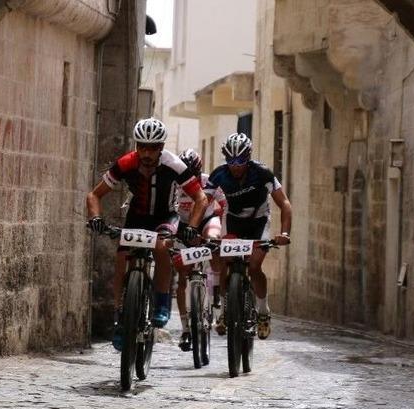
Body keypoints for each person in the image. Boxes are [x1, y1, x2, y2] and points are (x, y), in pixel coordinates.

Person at [86, 118, 208, 350]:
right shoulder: (125, 164)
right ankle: (121, 313)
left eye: (152, 148)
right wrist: (95, 219)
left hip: (165, 216)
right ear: (136, 145)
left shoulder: (174, 164)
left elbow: (201, 198)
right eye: (142, 146)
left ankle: (162, 302)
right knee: (122, 257)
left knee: (162, 247)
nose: (146, 153)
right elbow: (94, 195)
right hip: (137, 216)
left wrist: (192, 225)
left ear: (161, 148)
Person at [204, 133, 292, 340]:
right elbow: (204, 200)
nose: (236, 165)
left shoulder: (262, 173)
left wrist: (285, 233)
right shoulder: (219, 174)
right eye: (231, 161)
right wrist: (196, 226)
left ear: (248, 157)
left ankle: (263, 312)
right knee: (225, 263)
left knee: (254, 266)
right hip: (233, 220)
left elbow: (284, 204)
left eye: (241, 160)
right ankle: (226, 311)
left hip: (259, 221)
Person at [173, 149, 226, 352]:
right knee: (181, 276)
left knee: (214, 240)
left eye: (193, 174)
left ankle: (217, 296)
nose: (189, 179)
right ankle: (186, 329)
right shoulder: (175, 184)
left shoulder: (207, 181)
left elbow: (224, 204)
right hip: (183, 225)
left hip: (205, 220)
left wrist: (224, 224)